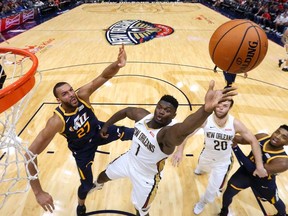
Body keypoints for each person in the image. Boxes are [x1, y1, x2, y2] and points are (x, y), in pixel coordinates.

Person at [92, 81, 238, 216]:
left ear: (173, 115)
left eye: (167, 110)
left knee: (141, 210)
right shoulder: (142, 116)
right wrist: (106, 125)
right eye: (160, 107)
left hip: (146, 177)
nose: (161, 112)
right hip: (129, 160)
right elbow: (126, 111)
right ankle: (97, 185)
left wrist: (205, 110)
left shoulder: (167, 134)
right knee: (103, 175)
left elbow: (184, 129)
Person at [25, 44, 134, 216]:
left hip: (99, 130)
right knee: (86, 185)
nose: (71, 95)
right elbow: (29, 155)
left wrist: (117, 64)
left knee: (131, 133)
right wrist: (38, 192)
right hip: (82, 149)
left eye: (70, 90)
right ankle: (81, 205)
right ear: (58, 100)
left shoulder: (82, 95)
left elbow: (104, 76)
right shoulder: (56, 121)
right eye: (65, 94)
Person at [171, 99, 267, 215]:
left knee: (212, 190)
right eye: (218, 105)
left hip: (222, 162)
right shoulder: (206, 120)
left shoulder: (235, 123)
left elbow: (254, 141)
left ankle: (203, 202)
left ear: (230, 107)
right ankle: (201, 170)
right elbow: (186, 133)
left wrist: (260, 166)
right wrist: (179, 150)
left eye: (225, 106)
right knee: (201, 168)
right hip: (206, 155)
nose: (220, 108)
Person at [219, 125, 288, 216]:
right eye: (277, 132)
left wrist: (235, 148)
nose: (277, 136)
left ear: (287, 143)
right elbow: (241, 140)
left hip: (263, 181)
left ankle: (282, 214)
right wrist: (225, 134)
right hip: (245, 173)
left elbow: (254, 169)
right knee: (228, 192)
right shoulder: (262, 137)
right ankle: (224, 211)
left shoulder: (283, 162)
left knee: (275, 201)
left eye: (284, 137)